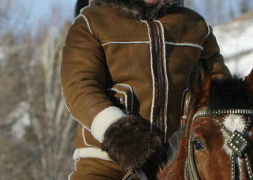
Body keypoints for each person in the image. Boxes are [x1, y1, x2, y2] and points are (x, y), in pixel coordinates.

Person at [62, 0, 230, 179]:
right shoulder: (92, 21)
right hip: (106, 163)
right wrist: (119, 134)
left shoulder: (195, 26)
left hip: (182, 164)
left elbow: (218, 87)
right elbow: (79, 85)